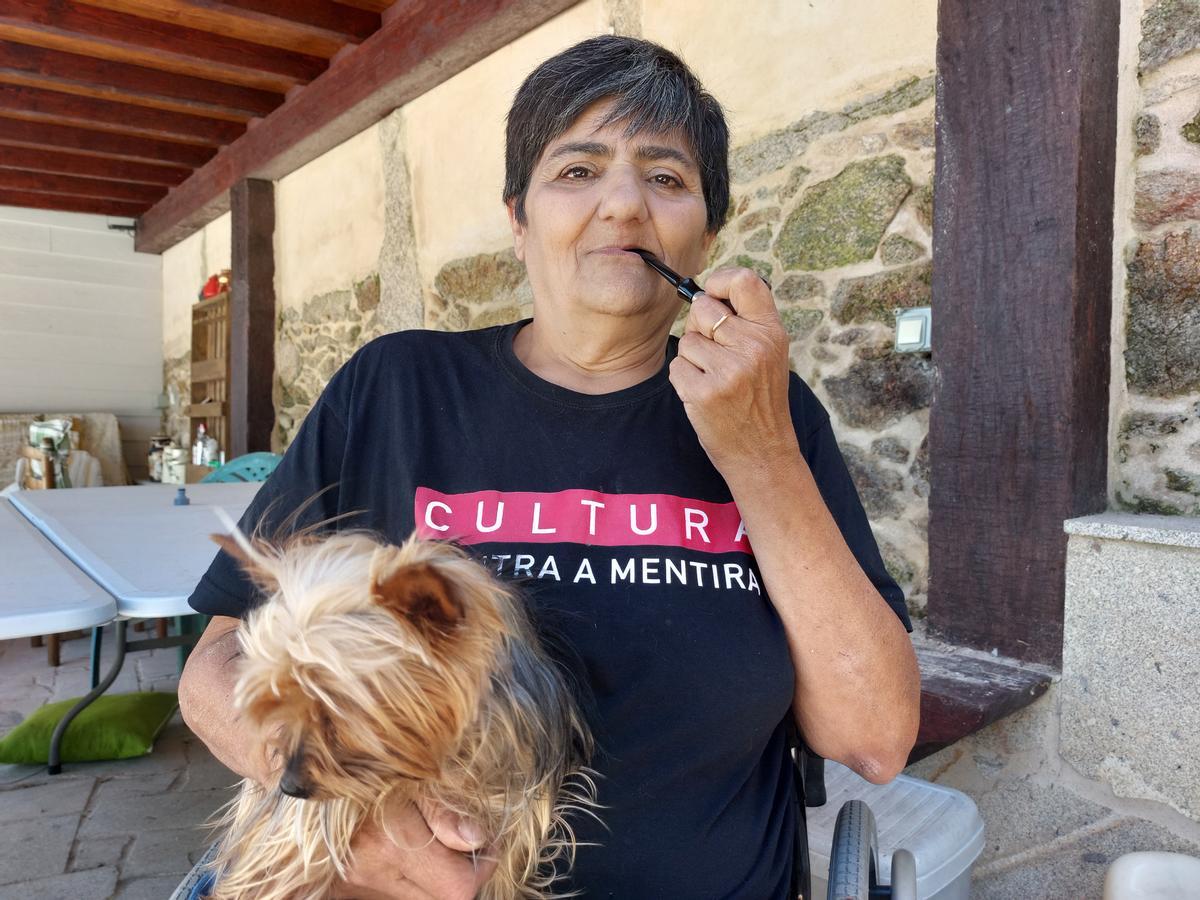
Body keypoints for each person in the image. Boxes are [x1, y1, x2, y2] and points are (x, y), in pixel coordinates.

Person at [179, 35, 920, 899]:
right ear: (518, 219)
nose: (624, 204)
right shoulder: (397, 387)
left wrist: (760, 456)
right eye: (577, 170)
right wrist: (362, 829)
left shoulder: (774, 414)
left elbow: (874, 737)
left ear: (707, 235)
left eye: (667, 177)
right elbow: (213, 670)